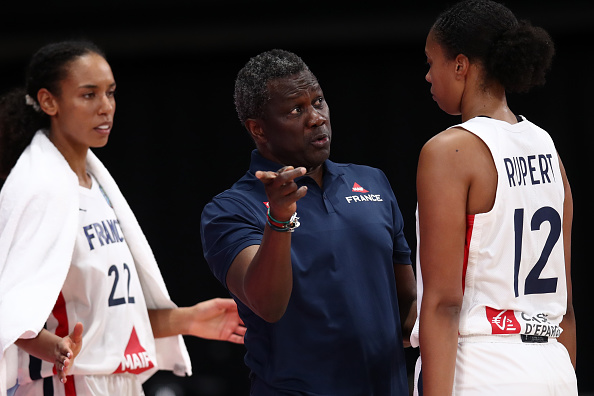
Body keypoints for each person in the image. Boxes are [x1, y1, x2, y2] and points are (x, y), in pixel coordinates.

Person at [0, 40, 246, 396]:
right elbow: (9, 305)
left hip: (118, 381)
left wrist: (187, 319)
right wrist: (43, 343)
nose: (106, 108)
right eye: (89, 95)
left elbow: (106, 319)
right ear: (48, 101)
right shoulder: (39, 187)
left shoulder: (95, 184)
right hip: (66, 382)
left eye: (111, 93)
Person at [200, 49, 417, 395]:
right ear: (258, 129)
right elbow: (267, 305)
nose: (316, 118)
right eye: (296, 110)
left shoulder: (373, 181)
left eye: (318, 101)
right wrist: (279, 219)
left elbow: (407, 307)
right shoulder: (229, 210)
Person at [410, 0, 578, 395]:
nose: (428, 76)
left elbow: (443, 304)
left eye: (431, 61)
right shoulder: (547, 146)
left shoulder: (450, 150)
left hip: (482, 369)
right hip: (553, 366)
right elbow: (566, 307)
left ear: (461, 65)